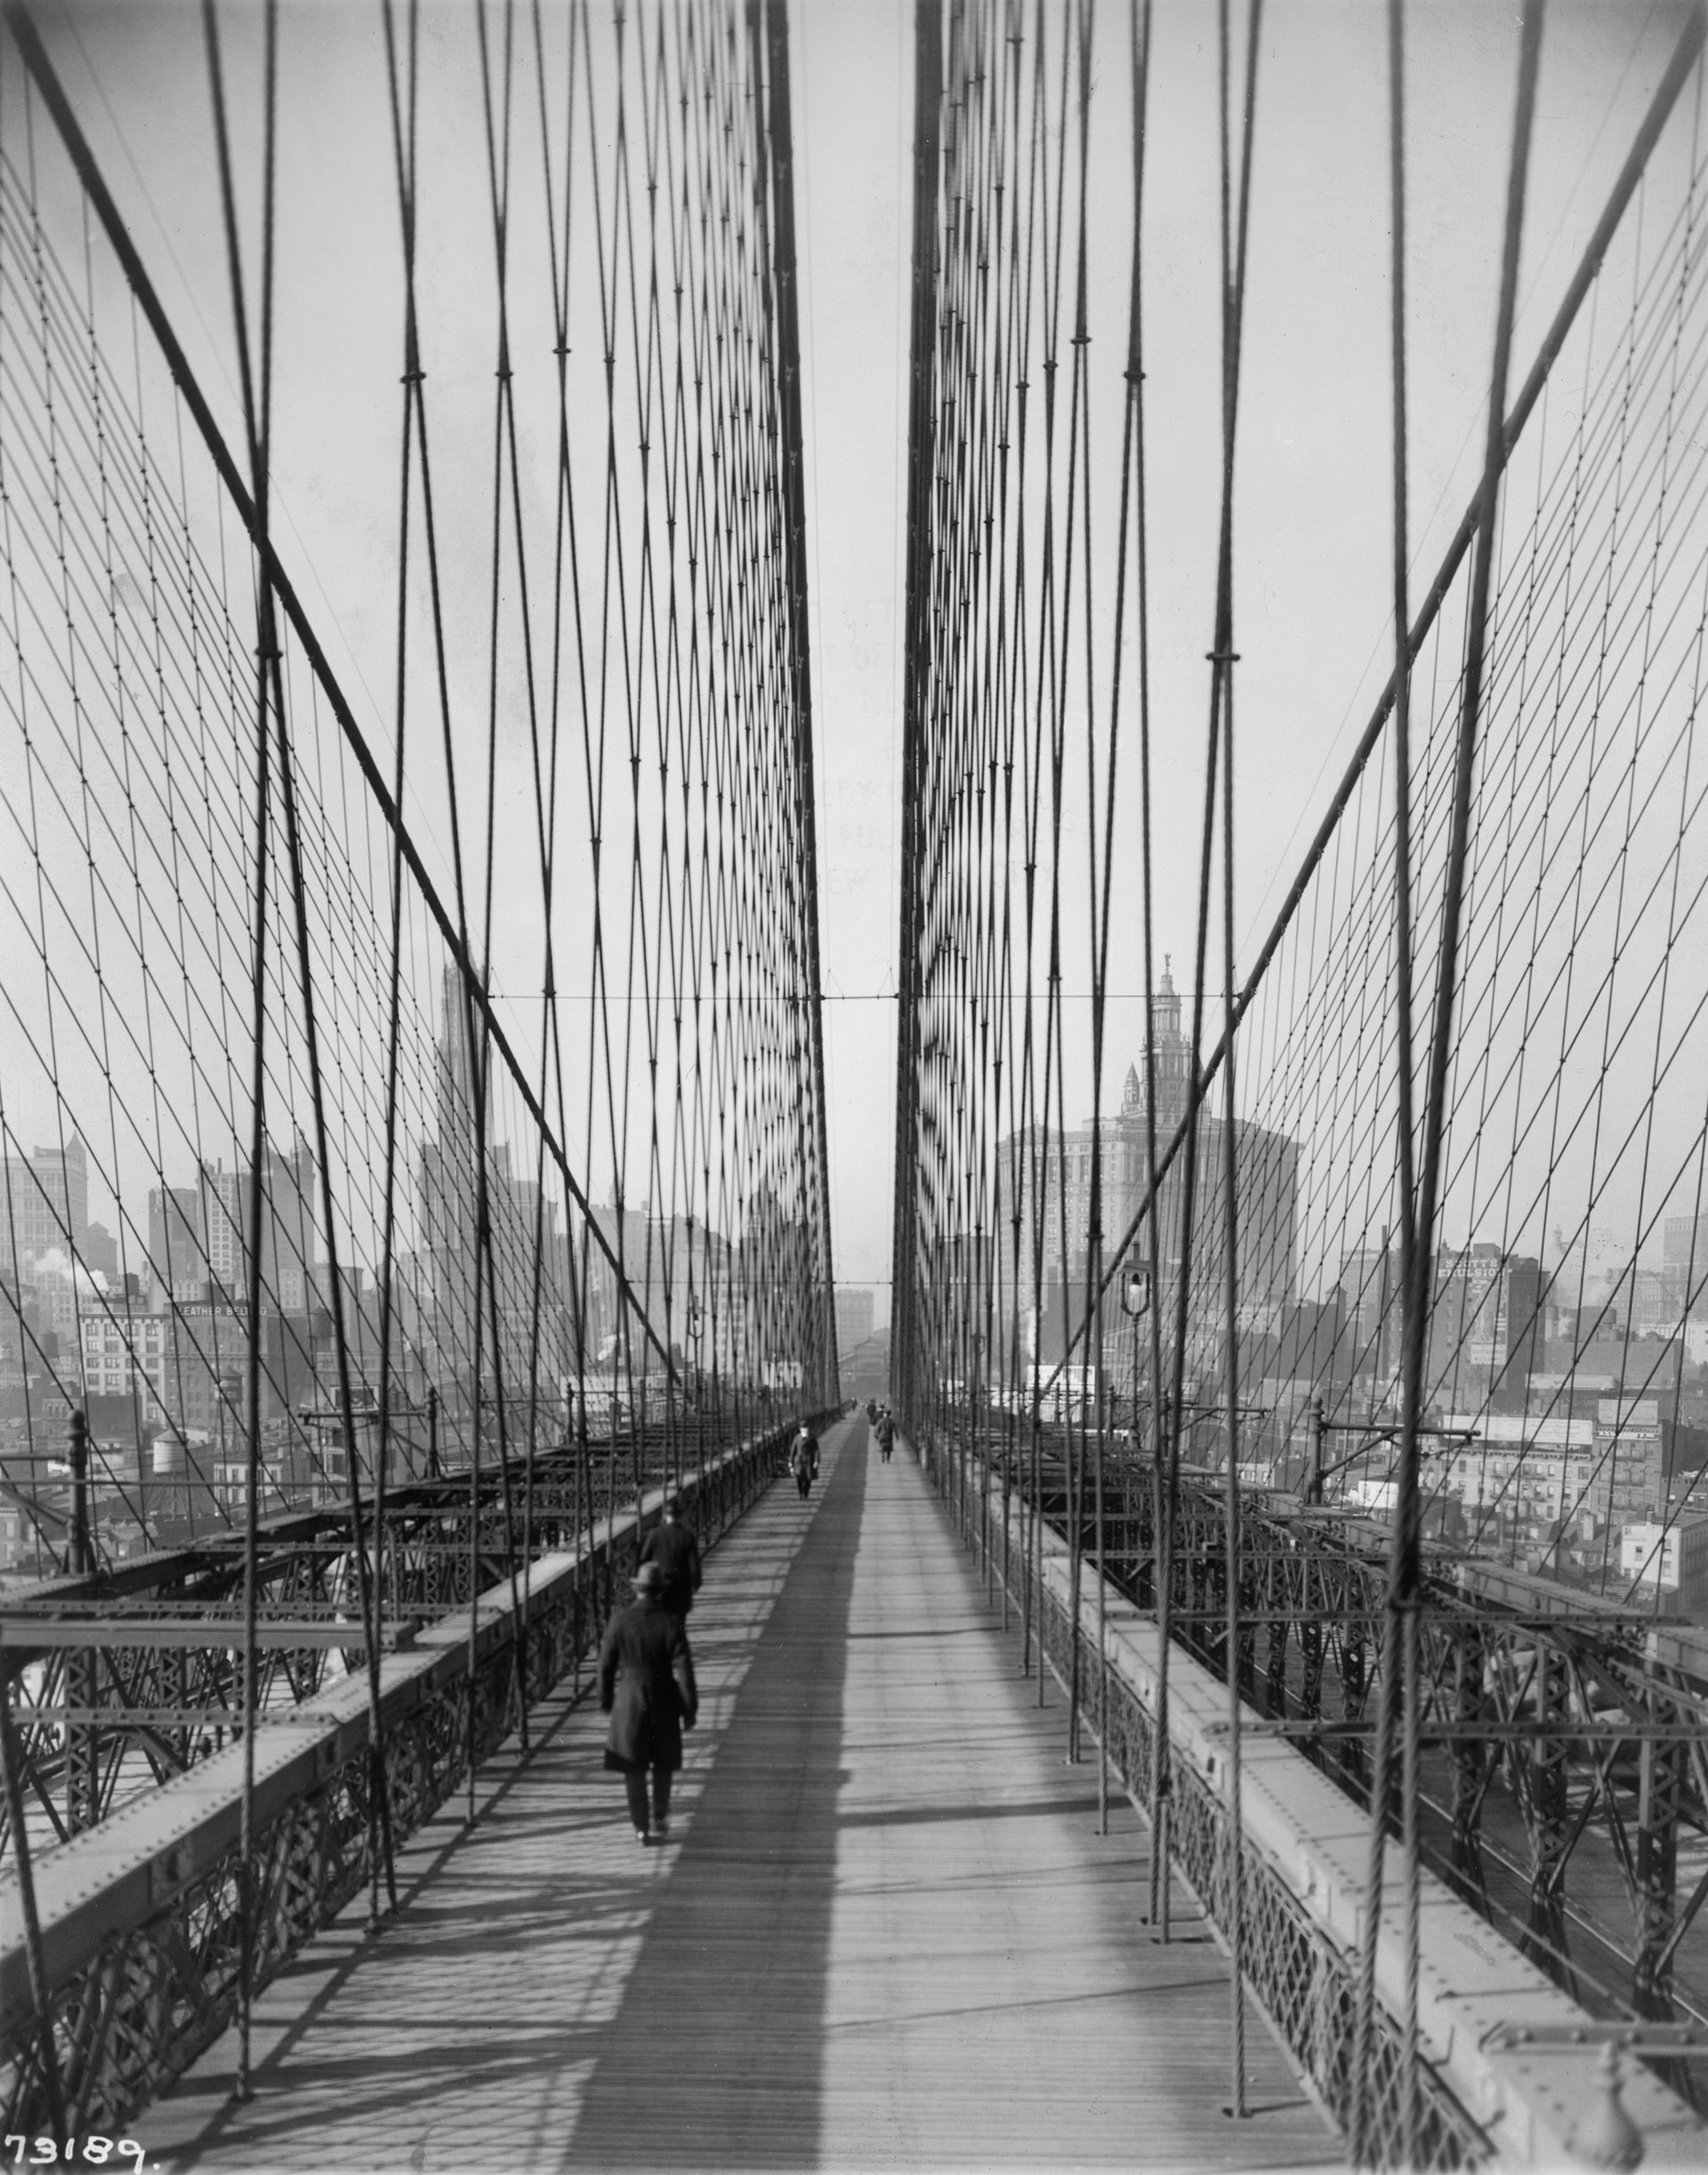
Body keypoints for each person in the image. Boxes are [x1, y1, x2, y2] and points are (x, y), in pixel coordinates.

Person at [599, 1561, 698, 1845]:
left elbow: (606, 1665)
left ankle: (640, 1827)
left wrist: (606, 1700)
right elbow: (685, 1669)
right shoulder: (670, 1621)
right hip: (664, 1696)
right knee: (663, 1763)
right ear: (660, 1591)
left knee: (634, 1766)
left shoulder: (620, 1620)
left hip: (629, 1698)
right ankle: (660, 1814)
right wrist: (689, 1707)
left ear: (637, 1589)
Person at [638, 1493, 703, 1621]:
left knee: (661, 1621)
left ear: (664, 1516)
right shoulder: (688, 1536)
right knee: (679, 1623)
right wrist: (696, 1584)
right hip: (681, 1588)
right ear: (680, 1516)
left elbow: (644, 1560)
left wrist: (643, 1585)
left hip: (660, 1585)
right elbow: (694, 1566)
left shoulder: (654, 1534)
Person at [790, 1421, 819, 1500]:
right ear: (800, 1429)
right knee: (799, 1479)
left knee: (808, 1479)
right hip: (799, 1462)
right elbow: (793, 1450)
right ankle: (801, 1494)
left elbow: (816, 1450)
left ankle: (806, 1494)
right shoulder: (797, 1438)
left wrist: (816, 1461)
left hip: (809, 1461)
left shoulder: (812, 1438)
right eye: (803, 1428)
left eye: (806, 1428)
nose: (805, 1430)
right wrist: (790, 1461)